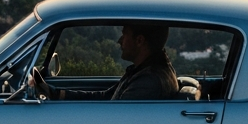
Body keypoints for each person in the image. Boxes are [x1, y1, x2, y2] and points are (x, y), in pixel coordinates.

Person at [30, 23, 179, 100]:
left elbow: (116, 119)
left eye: (124, 35)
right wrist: (55, 93)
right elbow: (105, 97)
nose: (119, 41)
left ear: (139, 40)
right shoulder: (144, 72)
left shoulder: (148, 82)